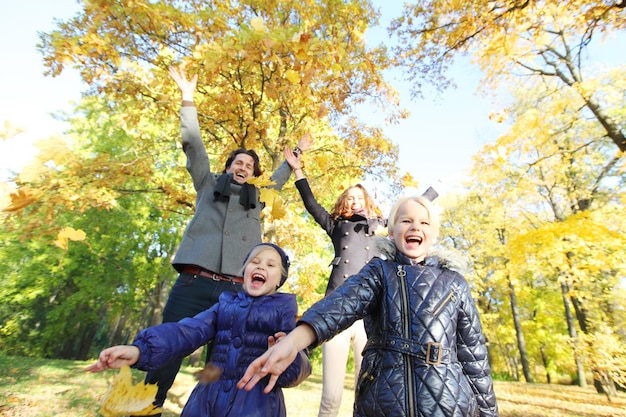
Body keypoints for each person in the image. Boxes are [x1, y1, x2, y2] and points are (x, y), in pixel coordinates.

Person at [141, 66, 313, 412]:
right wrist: (188, 99)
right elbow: (193, 145)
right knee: (168, 352)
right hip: (194, 283)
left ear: (254, 173)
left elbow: (282, 172)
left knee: (222, 365)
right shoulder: (207, 183)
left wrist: (295, 152)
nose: (244, 166)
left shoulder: (258, 196)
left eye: (250, 164)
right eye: (238, 161)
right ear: (228, 165)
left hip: (235, 291)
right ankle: (146, 407)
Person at [238, 196, 499, 417]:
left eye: (423, 222)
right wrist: (294, 341)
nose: (414, 226)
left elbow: (474, 358)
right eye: (405, 220)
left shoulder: (454, 282)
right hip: (383, 399)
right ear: (392, 230)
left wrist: (488, 412)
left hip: (449, 403)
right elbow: (341, 305)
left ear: (433, 233)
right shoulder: (379, 272)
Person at [285, 149, 439, 417]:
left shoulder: (383, 228)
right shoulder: (336, 226)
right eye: (350, 198)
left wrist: (435, 190)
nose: (355, 202)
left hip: (373, 318)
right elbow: (311, 204)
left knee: (367, 394)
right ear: (343, 203)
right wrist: (298, 170)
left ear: (368, 203)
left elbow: (409, 213)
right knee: (331, 397)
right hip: (338, 314)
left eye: (360, 198)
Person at [86, 243, 312, 417]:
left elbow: (297, 371)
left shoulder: (285, 314)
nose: (261, 266)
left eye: (271, 265)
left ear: (279, 280)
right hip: (206, 401)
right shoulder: (225, 306)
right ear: (244, 272)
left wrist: (289, 355)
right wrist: (139, 351)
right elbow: (188, 331)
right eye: (254, 262)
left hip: (257, 406)